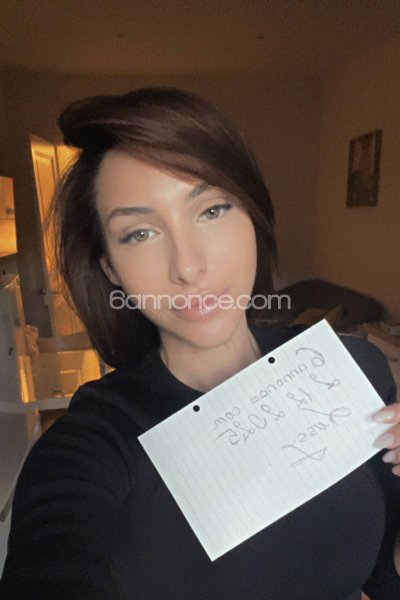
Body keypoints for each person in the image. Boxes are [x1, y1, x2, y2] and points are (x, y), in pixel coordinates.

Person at [0, 88, 399, 600]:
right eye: (139, 234)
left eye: (211, 210)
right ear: (110, 269)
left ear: (253, 215)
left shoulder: (352, 369)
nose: (188, 267)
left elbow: (385, 575)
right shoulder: (94, 443)